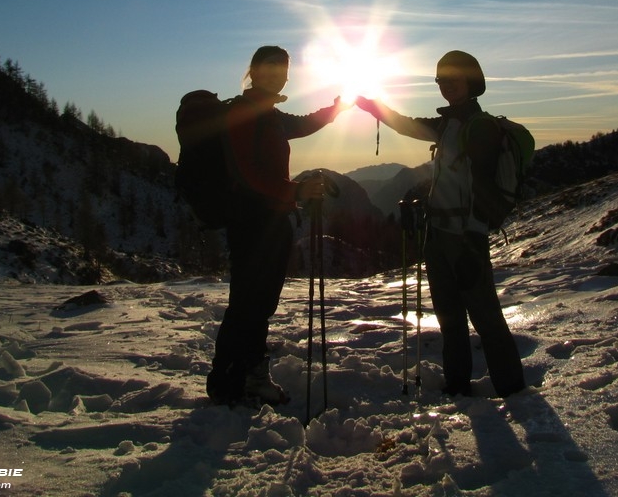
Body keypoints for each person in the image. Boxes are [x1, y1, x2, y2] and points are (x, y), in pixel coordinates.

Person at [356, 50, 526, 398]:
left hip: (466, 238)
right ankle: (458, 385)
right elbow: (407, 124)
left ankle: (513, 391)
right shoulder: (448, 124)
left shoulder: (479, 128)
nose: (446, 86)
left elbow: (483, 190)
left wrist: (472, 241)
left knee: (485, 316)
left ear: (471, 81)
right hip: (439, 235)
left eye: (453, 79)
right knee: (449, 317)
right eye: (440, 81)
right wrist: (373, 106)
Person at [207, 45, 349, 406]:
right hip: (251, 222)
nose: (275, 74)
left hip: (270, 221)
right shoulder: (243, 112)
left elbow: (301, 123)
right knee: (248, 303)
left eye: (281, 69)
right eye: (267, 68)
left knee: (258, 303)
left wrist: (335, 109)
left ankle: (243, 375)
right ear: (252, 71)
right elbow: (245, 173)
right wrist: (296, 190)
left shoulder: (269, 114)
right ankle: (230, 379)